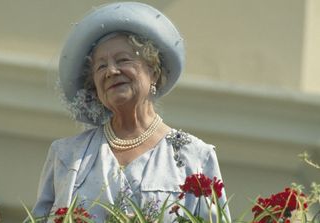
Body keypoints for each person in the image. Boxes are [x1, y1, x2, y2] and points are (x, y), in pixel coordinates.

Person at [32, 2, 230, 222]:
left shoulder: (195, 157)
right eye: (101, 66)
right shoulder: (67, 156)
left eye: (123, 60)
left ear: (154, 71)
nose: (111, 71)